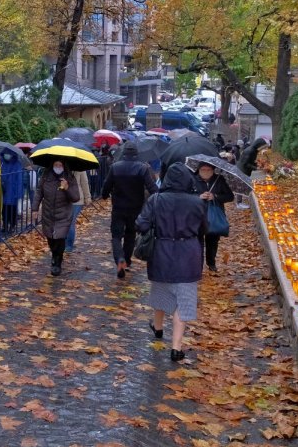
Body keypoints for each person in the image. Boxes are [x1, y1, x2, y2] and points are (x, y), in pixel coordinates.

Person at [136, 164, 207, 362]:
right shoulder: (197, 202)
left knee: (161, 290)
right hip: (188, 254)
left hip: (161, 252)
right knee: (183, 300)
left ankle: (158, 328)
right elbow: (204, 228)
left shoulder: (156, 199)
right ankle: (176, 348)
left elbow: (140, 224)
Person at [100, 143, 158, 278]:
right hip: (136, 207)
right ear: (136, 153)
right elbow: (152, 188)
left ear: (123, 153)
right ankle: (126, 259)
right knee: (130, 235)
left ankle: (119, 258)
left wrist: (104, 195)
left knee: (116, 236)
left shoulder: (115, 167)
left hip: (118, 207)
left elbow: (107, 185)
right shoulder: (142, 168)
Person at [31, 160, 80, 276]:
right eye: (56, 165)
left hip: (63, 214)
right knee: (51, 238)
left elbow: (76, 198)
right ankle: (54, 254)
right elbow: (39, 192)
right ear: (52, 166)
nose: (58, 167)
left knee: (60, 238)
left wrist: (67, 188)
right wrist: (35, 209)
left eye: (60, 165)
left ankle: (57, 262)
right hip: (48, 213)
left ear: (64, 166)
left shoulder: (69, 177)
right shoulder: (45, 177)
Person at [193, 160, 234, 273]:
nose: (206, 172)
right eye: (203, 170)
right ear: (198, 170)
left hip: (214, 215)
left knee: (213, 240)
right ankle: (198, 264)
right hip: (197, 214)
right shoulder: (193, 179)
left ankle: (211, 263)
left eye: (209, 170)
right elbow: (185, 195)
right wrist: (198, 196)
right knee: (197, 240)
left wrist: (215, 196)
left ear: (213, 170)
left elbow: (230, 196)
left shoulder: (219, 180)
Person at [64, 168, 92, 253]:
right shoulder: (63, 168)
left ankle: (69, 245)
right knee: (66, 222)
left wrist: (87, 197)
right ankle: (66, 243)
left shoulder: (80, 169)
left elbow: (84, 183)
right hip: (65, 199)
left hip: (77, 199)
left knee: (70, 221)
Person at [0, 146, 25, 234]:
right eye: (5, 153)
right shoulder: (1, 162)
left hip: (13, 190)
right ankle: (5, 225)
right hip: (4, 190)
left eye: (8, 154)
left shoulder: (17, 164)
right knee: (4, 210)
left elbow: (20, 179)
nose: (7, 155)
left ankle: (12, 226)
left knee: (12, 210)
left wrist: (19, 193)